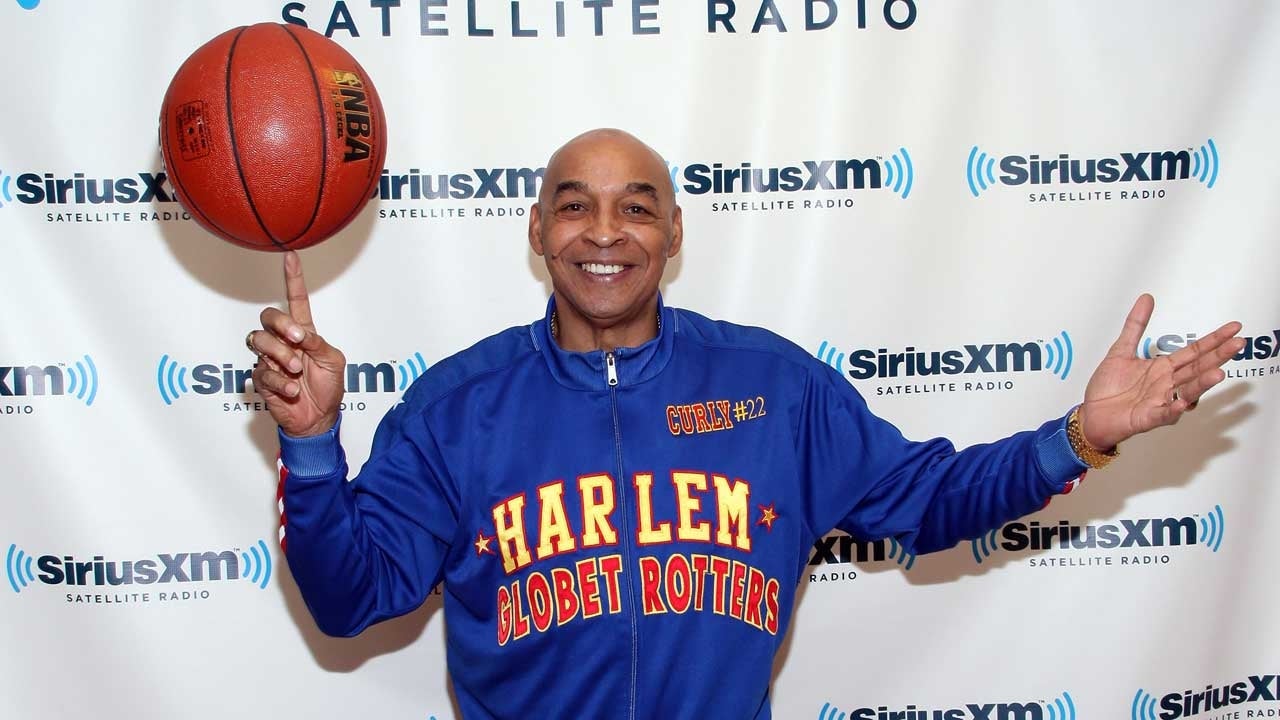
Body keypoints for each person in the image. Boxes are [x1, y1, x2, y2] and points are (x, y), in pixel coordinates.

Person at [246, 129, 1244, 719]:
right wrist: (309, 442)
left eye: (636, 208)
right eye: (575, 207)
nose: (604, 234)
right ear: (537, 230)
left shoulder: (772, 389)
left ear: (673, 234)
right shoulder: (457, 410)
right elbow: (347, 602)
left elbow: (931, 499)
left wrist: (1077, 434)